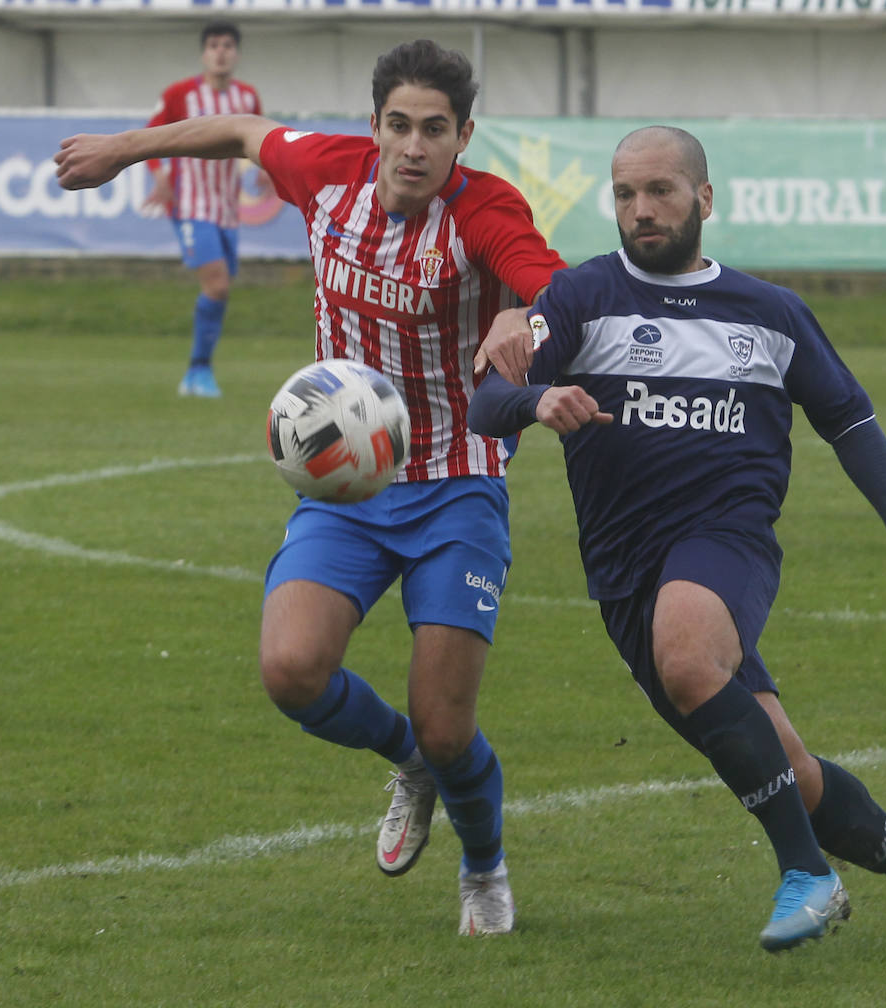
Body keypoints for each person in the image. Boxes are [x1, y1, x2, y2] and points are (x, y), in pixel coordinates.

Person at [466, 126, 886, 954]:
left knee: (689, 655)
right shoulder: (579, 299)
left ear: (704, 198)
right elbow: (488, 401)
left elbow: (848, 415)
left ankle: (806, 876)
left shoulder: (768, 311)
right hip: (626, 571)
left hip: (726, 539)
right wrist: (533, 403)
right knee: (796, 779)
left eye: (660, 190)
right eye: (625, 195)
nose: (641, 210)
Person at [55, 40, 566, 936]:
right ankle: (405, 759)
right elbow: (244, 131)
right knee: (291, 671)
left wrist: (530, 312)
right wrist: (124, 148)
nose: (414, 146)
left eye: (434, 130)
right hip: (347, 485)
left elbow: (554, 281)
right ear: (373, 128)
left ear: (463, 137)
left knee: (453, 727)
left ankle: (483, 868)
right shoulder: (328, 174)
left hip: (457, 482)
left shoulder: (485, 210)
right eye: (398, 125)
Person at [144, 22, 266, 398]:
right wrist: (160, 175)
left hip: (227, 210)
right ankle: (197, 371)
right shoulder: (181, 95)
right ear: (204, 53)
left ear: (237, 53)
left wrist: (271, 172)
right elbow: (149, 135)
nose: (221, 52)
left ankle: (199, 371)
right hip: (190, 205)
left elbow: (260, 139)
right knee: (217, 283)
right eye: (214, 45)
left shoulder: (247, 99)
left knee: (221, 291)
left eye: (228, 45)